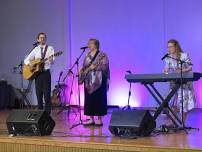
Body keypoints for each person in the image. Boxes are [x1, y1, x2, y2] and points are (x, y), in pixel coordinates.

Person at [79, 38, 110, 126]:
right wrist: (82, 70)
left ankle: (99, 119)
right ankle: (91, 119)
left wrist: (95, 68)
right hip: (88, 80)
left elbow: (105, 66)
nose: (88, 45)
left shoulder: (102, 55)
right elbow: (85, 67)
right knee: (89, 99)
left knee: (99, 99)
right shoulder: (87, 55)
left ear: (95, 45)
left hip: (99, 80)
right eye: (88, 44)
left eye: (90, 44)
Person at [164, 39, 196, 121]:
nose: (169, 49)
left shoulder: (184, 55)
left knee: (183, 103)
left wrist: (182, 71)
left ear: (176, 47)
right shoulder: (168, 58)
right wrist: (165, 70)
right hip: (175, 82)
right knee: (173, 102)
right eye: (168, 47)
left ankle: (182, 123)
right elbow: (167, 68)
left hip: (184, 82)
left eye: (171, 47)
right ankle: (172, 122)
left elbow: (190, 67)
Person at [24, 32, 54, 114]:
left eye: (44, 37)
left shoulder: (50, 48)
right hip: (37, 74)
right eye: (41, 38)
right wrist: (30, 64)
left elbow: (52, 61)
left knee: (47, 94)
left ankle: (47, 114)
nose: (42, 39)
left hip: (46, 73)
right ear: (38, 39)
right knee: (38, 94)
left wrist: (51, 60)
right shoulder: (35, 49)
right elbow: (26, 60)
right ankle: (40, 113)